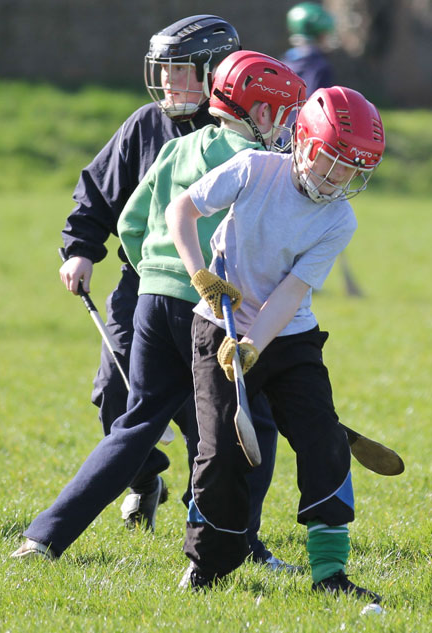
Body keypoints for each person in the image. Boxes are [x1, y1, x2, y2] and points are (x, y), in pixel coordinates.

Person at [10, 50, 306, 570]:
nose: (285, 127)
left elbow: (132, 219)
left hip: (150, 299)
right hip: (205, 310)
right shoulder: (259, 167)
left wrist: (154, 271)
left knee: (136, 424)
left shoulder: (181, 146)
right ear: (260, 115)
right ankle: (242, 545)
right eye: (281, 115)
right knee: (247, 427)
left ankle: (43, 537)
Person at [166, 85, 385, 599]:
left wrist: (254, 343)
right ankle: (208, 566)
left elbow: (291, 293)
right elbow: (183, 210)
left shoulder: (339, 219)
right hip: (216, 324)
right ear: (304, 142)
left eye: (352, 172)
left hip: (288, 336)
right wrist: (201, 277)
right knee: (220, 453)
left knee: (325, 442)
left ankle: (330, 573)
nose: (338, 181)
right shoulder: (253, 170)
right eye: (331, 163)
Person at [57, 14, 244, 531]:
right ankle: (144, 482)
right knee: (113, 394)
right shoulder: (145, 124)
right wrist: (80, 250)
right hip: (144, 287)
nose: (167, 81)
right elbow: (98, 192)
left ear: (214, 73)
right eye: (163, 69)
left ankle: (200, 507)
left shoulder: (244, 134)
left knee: (204, 406)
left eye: (180, 70)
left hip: (217, 293)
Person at [281, 2, 363, 296]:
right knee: (319, 211)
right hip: (313, 146)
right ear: (320, 34)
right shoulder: (321, 65)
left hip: (281, 142)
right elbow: (323, 106)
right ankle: (305, 276)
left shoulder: (284, 61)